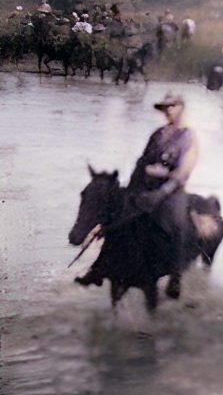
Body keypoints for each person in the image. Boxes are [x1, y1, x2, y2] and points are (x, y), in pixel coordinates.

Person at [77, 92, 198, 296]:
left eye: (172, 106)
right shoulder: (158, 134)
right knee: (119, 216)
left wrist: (162, 189)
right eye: (165, 107)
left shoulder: (188, 136)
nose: (168, 110)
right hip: (146, 187)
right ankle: (99, 268)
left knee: (177, 223)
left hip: (172, 191)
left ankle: (175, 276)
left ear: (181, 108)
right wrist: (132, 190)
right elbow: (142, 161)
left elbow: (184, 170)